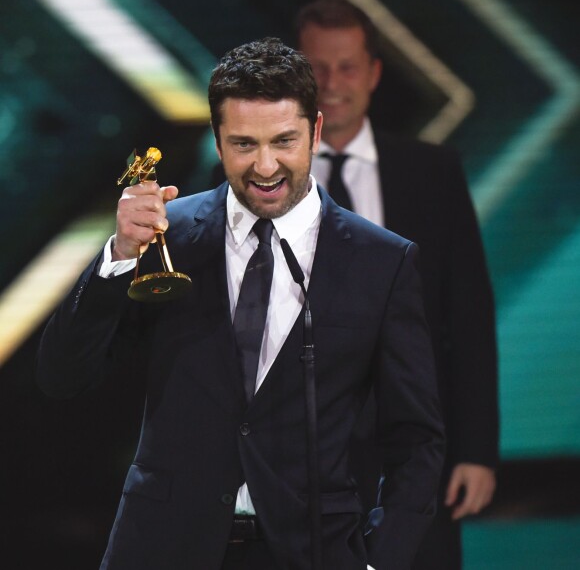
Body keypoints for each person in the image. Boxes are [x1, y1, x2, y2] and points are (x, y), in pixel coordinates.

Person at [36, 37, 445, 570]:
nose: (266, 166)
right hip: (163, 547)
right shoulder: (165, 236)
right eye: (244, 144)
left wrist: (379, 560)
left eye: (284, 141)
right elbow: (62, 375)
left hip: (311, 552)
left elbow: (417, 441)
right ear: (218, 139)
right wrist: (116, 257)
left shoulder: (381, 262)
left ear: (316, 132)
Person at [295, 0, 498, 570]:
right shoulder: (252, 178)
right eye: (316, 68)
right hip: (294, 463)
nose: (332, 84)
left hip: (415, 456)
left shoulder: (433, 172)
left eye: (348, 66)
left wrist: (477, 450)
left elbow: (469, 319)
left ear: (374, 73)